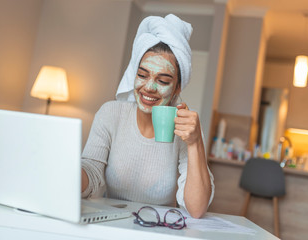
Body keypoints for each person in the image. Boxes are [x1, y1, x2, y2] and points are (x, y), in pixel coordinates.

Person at [81, 14, 214, 219]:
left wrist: (195, 143)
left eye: (163, 80)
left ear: (178, 86)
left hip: (160, 229)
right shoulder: (110, 113)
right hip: (112, 225)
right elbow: (92, 172)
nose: (149, 88)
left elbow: (196, 209)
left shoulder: (186, 128)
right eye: (142, 75)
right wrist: (67, 170)